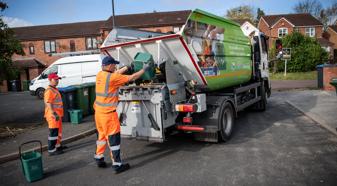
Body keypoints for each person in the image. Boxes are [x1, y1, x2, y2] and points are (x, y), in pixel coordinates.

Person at [93, 55, 150, 174]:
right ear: (109, 65)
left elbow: (115, 74)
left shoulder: (100, 74)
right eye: (114, 64)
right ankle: (117, 165)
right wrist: (144, 69)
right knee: (114, 140)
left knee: (101, 137)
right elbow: (132, 77)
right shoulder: (113, 78)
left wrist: (127, 67)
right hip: (108, 115)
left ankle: (98, 157)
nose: (115, 66)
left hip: (98, 114)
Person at [44, 73, 65, 156]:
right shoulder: (49, 90)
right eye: (55, 79)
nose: (57, 81)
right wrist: (53, 113)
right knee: (53, 133)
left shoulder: (54, 89)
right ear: (50, 80)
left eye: (58, 79)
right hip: (53, 115)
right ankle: (51, 150)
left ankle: (58, 146)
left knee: (58, 132)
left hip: (57, 115)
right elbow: (48, 102)